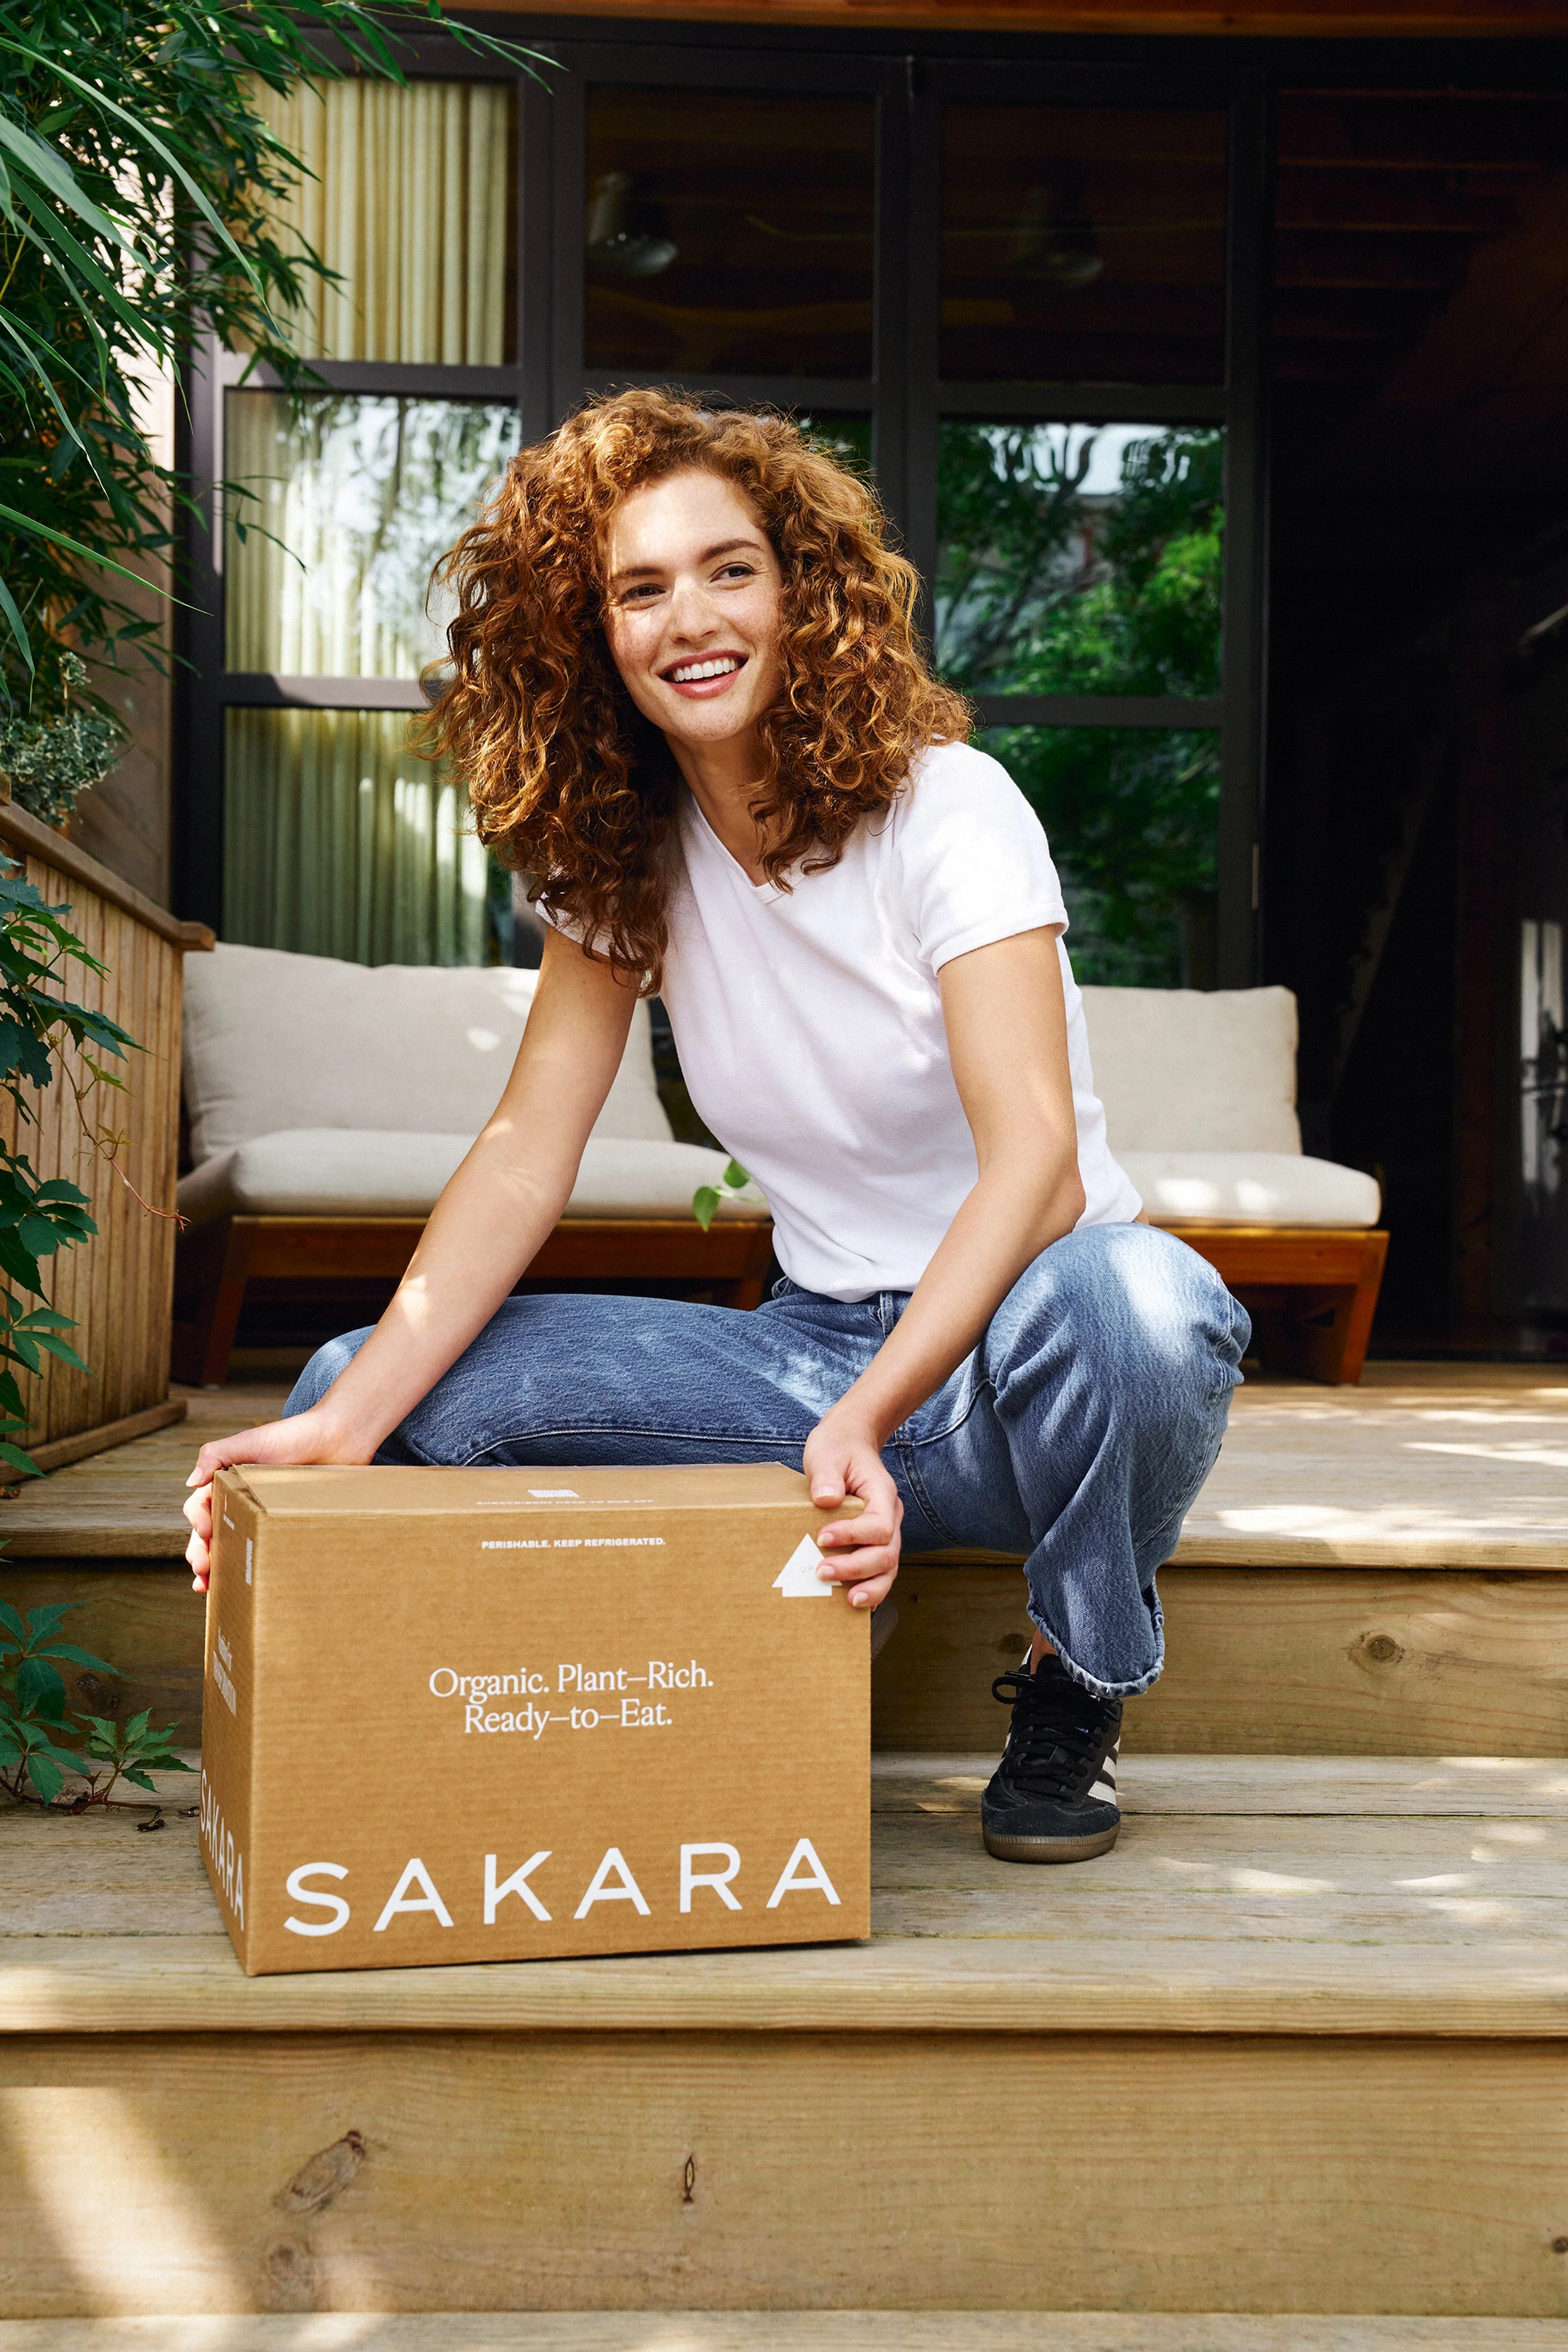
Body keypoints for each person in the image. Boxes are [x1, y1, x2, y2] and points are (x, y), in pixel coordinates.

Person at [184, 389, 1249, 1866]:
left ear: (799, 590)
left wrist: (866, 1419)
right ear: (592, 633)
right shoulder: (623, 860)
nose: (690, 615)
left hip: (1025, 1364)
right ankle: (613, 1697)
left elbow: (1039, 1164)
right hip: (806, 1358)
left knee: (1143, 1300)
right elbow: (522, 1155)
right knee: (363, 1379)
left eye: (727, 568)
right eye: (639, 586)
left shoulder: (947, 806)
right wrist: (344, 1430)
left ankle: (1075, 1675)